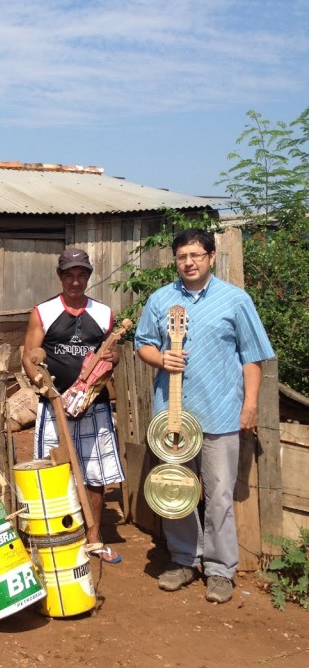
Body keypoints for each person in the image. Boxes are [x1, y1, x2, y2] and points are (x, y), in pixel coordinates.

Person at [134, 228, 274, 604]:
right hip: (173, 415)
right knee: (175, 490)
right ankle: (183, 559)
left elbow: (253, 356)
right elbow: (142, 343)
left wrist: (250, 405)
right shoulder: (161, 299)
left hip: (222, 411)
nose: (189, 262)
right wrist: (160, 357)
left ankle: (219, 569)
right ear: (175, 260)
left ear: (211, 257)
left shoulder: (236, 300)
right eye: (182, 256)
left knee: (219, 494)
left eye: (196, 254)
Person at [21, 247, 125, 563]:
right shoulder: (43, 312)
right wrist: (48, 391)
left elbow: (113, 355)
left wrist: (114, 357)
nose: (75, 282)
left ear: (88, 277)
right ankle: (54, 538)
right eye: (69, 275)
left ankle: (93, 539)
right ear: (60, 276)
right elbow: (29, 355)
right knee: (53, 472)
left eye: (81, 275)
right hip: (55, 406)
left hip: (94, 405)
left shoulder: (104, 314)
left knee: (94, 473)